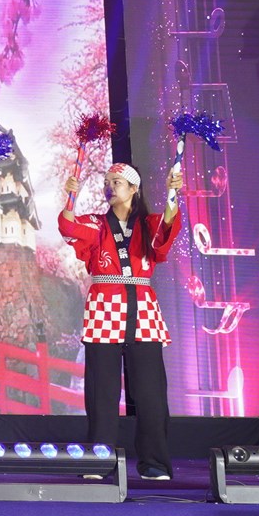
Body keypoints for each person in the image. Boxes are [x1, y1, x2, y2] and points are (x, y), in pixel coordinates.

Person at [59, 161, 182, 481]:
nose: (109, 187)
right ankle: (98, 462)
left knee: (151, 394)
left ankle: (154, 463)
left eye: (117, 182)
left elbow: (168, 227)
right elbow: (69, 227)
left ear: (134, 189)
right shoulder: (97, 224)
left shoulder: (149, 223)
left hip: (142, 309)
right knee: (102, 392)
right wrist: (71, 198)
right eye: (107, 182)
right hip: (104, 308)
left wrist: (172, 192)